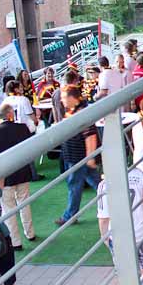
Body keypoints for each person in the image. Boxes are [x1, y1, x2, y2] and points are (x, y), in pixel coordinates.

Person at [0, 104, 36, 251]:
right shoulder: (22, 128)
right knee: (24, 203)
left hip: (4, 176)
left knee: (8, 209)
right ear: (10, 114)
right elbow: (29, 148)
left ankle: (15, 241)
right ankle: (30, 233)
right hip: (22, 171)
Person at [97, 166, 143, 273]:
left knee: (125, 270)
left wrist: (104, 236)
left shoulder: (104, 186)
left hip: (119, 237)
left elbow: (104, 218)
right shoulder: (137, 174)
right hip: (141, 230)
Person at [55, 85, 100, 226]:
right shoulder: (76, 111)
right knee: (97, 184)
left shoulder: (81, 113)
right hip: (77, 157)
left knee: (74, 186)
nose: (62, 100)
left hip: (79, 158)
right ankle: (117, 201)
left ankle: (70, 216)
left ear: (72, 98)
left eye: (64, 97)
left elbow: (90, 136)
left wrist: (90, 157)